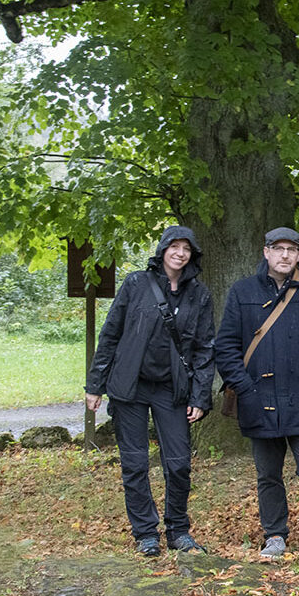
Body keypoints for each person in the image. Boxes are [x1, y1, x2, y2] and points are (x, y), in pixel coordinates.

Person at [85, 226, 215, 557]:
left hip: (172, 389)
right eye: (174, 246)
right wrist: (95, 385)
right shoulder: (135, 284)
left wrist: (200, 396)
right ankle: (145, 533)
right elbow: (111, 333)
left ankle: (178, 530)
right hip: (130, 386)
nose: (180, 253)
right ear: (162, 250)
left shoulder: (199, 295)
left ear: (192, 255)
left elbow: (204, 349)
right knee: (135, 463)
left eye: (186, 248)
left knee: (178, 463)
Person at [215, 227, 299, 563]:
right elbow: (225, 346)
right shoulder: (242, 291)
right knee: (268, 474)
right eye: (278, 248)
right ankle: (274, 534)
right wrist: (244, 388)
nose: (285, 255)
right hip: (258, 399)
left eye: (292, 249)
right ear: (266, 252)